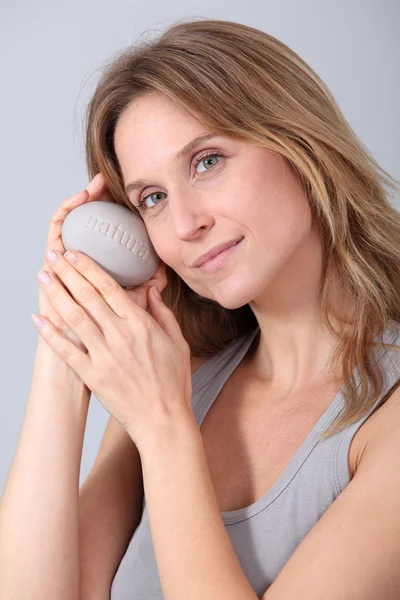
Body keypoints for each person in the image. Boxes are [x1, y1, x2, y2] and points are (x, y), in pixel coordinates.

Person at [2, 17, 400, 600]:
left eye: (207, 161)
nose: (186, 224)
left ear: (299, 144)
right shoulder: (178, 376)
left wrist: (165, 430)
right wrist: (67, 337)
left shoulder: (384, 424)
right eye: (153, 199)